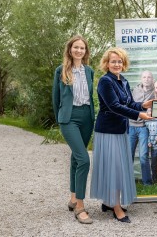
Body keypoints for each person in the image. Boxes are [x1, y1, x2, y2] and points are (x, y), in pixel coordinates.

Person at [90, 47, 153, 223]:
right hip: (108, 131)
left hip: (121, 130)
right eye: (113, 61)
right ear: (107, 63)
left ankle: (109, 202)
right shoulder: (105, 81)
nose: (117, 64)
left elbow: (129, 103)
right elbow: (114, 106)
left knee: (116, 167)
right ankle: (116, 207)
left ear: (123, 63)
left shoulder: (123, 81)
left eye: (119, 61)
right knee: (114, 169)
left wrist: (142, 105)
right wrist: (139, 115)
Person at [52, 35, 95, 224]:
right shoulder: (61, 71)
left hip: (87, 117)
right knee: (84, 159)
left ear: (85, 52)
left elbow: (90, 96)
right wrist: (61, 118)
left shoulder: (89, 71)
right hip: (69, 119)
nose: (79, 51)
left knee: (76, 159)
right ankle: (79, 206)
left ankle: (71, 198)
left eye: (82, 48)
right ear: (70, 50)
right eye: (76, 47)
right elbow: (56, 99)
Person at [129, 71, 155, 185]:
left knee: (144, 155)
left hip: (144, 127)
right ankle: (128, 182)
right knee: (129, 154)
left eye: (149, 77)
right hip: (131, 126)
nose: (146, 79)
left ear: (152, 79)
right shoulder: (134, 91)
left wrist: (151, 110)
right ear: (141, 79)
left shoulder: (155, 92)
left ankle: (147, 183)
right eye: (144, 77)